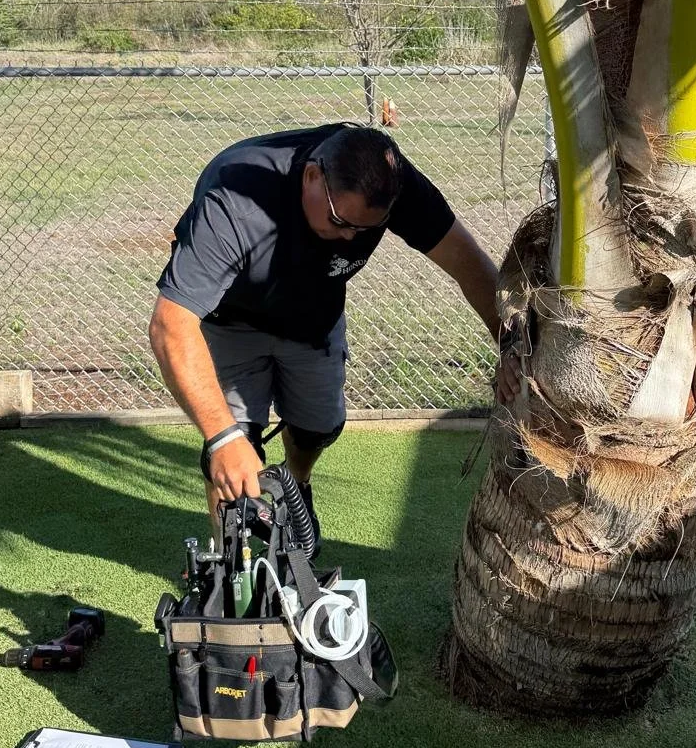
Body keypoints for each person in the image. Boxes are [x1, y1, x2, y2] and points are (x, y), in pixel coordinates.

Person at [149, 122, 515, 526]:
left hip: (312, 318)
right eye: (340, 221)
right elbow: (171, 324)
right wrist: (223, 437)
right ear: (311, 176)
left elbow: (468, 264)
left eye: (365, 229)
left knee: (315, 430)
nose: (349, 238)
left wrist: (511, 347)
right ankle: (230, 566)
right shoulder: (235, 201)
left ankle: (296, 485)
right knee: (235, 447)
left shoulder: (391, 183)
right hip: (233, 318)